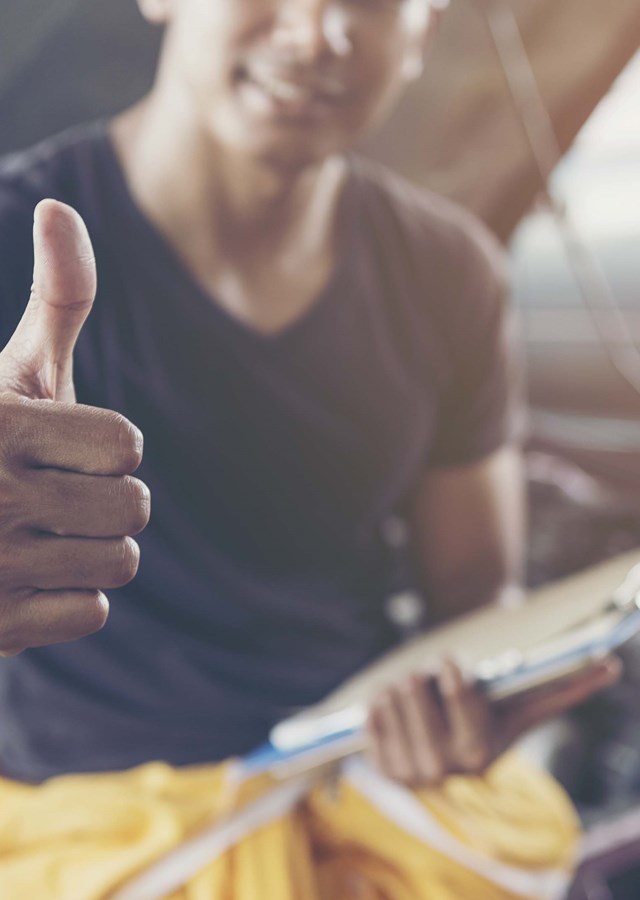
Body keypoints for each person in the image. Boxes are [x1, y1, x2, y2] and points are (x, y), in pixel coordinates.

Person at [0, 0, 617, 789]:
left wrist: (471, 696)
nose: (317, 32)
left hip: (355, 776)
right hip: (83, 811)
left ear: (424, 30)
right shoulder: (19, 234)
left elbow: (473, 594)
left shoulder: (451, 273)